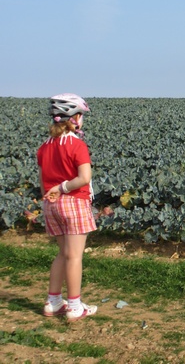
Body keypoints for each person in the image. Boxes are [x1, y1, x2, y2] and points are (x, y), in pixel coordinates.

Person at [37, 93, 98, 322]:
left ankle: (53, 302)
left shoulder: (44, 147)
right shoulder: (76, 145)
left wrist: (54, 191)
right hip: (73, 203)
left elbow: (42, 180)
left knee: (62, 254)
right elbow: (84, 178)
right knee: (74, 256)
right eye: (80, 115)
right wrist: (63, 187)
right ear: (74, 118)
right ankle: (74, 305)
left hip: (51, 206)